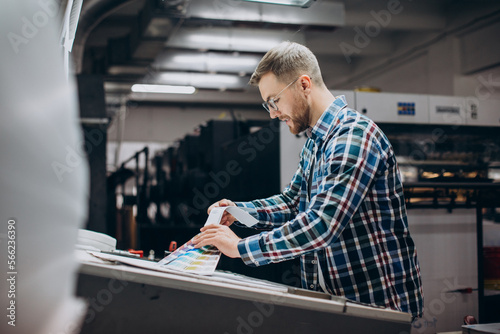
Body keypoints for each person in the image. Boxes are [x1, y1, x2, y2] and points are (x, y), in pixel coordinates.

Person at [193, 41, 423, 318]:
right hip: (339, 307)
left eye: (274, 101)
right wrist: (238, 212)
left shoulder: (353, 136)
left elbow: (320, 225)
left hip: (379, 308)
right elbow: (292, 204)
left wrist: (240, 248)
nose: (273, 114)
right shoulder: (316, 143)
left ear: (304, 84)